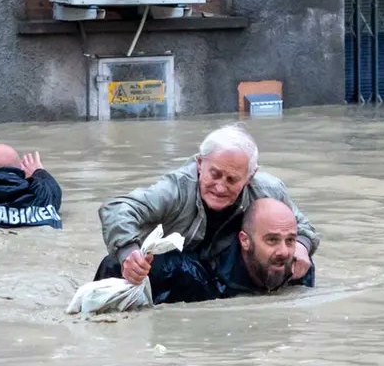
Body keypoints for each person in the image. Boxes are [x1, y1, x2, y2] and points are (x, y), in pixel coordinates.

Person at [95, 122, 318, 286]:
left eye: (232, 180)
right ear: (200, 164)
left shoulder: (268, 189)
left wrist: (301, 246)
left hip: (225, 268)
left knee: (296, 263)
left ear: (250, 177)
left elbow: (304, 228)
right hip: (179, 266)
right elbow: (118, 209)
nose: (220, 187)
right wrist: (129, 253)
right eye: (215, 174)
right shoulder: (176, 188)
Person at [141, 198, 315, 304]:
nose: (284, 252)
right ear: (245, 241)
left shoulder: (300, 268)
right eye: (272, 240)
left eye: (290, 240)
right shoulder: (191, 276)